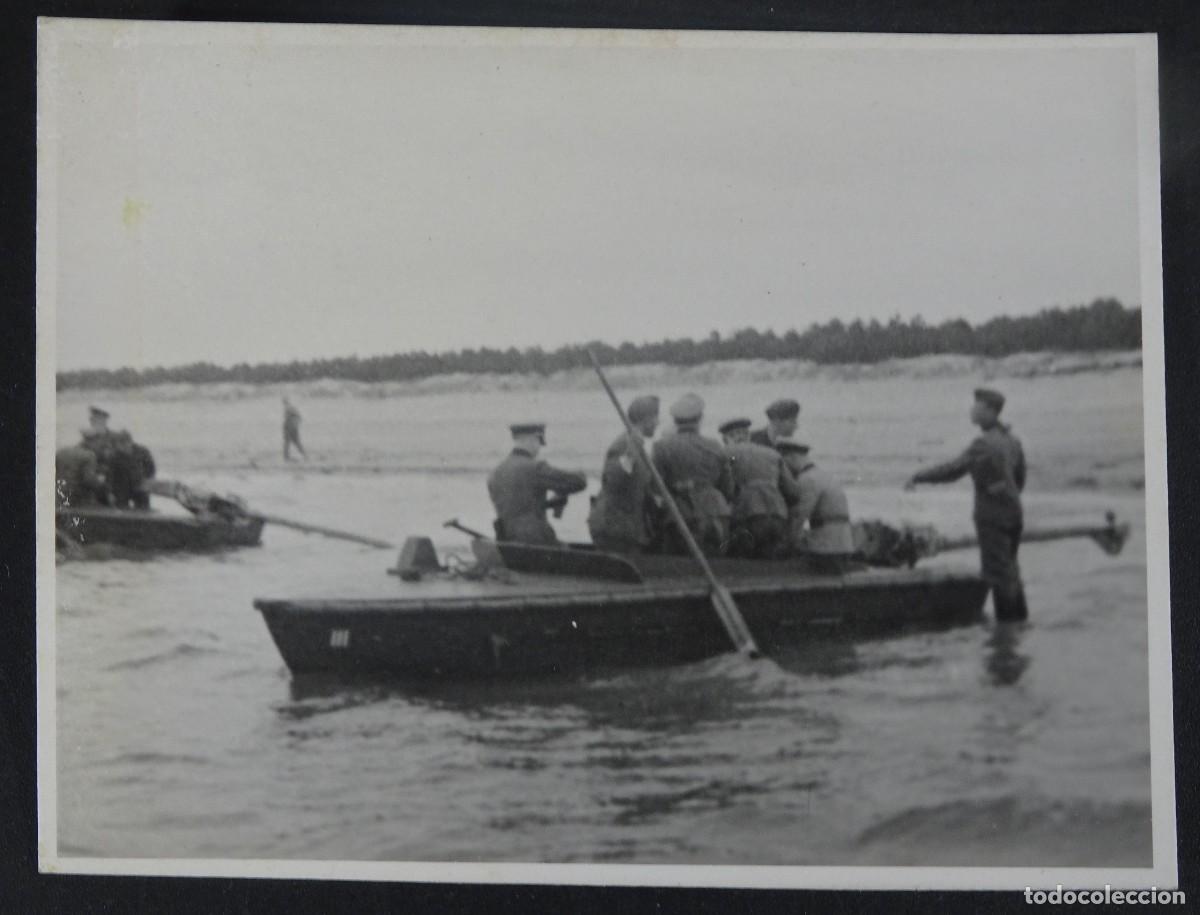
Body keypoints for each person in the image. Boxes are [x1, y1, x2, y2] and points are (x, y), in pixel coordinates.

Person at [905, 387, 1028, 621]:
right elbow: (1020, 478)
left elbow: (953, 470)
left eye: (977, 406)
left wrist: (919, 476)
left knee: (998, 575)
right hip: (1014, 515)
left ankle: (1007, 637)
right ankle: (1018, 628)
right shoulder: (1012, 440)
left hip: (992, 518)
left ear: (991, 411)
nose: (972, 410)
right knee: (1012, 571)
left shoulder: (983, 444)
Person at [650, 393, 734, 556]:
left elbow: (656, 487)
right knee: (719, 564)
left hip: (681, 513)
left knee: (681, 566)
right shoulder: (715, 445)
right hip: (717, 511)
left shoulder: (661, 446)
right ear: (700, 418)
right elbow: (728, 487)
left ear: (675, 421)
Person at [487, 423, 587, 545]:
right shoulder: (535, 468)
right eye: (540, 442)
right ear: (534, 438)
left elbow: (520, 505)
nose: (539, 448)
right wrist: (575, 478)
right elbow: (579, 482)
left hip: (507, 538)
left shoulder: (497, 472)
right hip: (536, 538)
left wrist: (553, 500)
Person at [587, 395, 662, 554]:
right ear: (646, 419)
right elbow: (614, 479)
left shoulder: (637, 445)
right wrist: (630, 454)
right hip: (614, 529)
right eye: (656, 418)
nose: (658, 423)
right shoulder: (624, 444)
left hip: (626, 528)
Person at [719, 417, 800, 558]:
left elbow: (724, 487)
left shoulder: (727, 453)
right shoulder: (772, 454)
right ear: (748, 436)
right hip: (778, 515)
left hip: (747, 516)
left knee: (742, 561)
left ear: (727, 438)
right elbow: (793, 493)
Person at [778, 440, 856, 572]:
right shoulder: (825, 476)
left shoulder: (807, 479)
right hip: (843, 544)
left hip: (825, 549)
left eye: (784, 464)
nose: (784, 469)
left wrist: (785, 545)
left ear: (792, 457)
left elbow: (798, 517)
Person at [105, 430, 154, 509]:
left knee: (144, 509)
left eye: (125, 443)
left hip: (139, 485)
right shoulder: (114, 456)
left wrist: (146, 481)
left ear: (130, 442)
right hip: (122, 487)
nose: (122, 447)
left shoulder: (142, 452)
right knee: (121, 510)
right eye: (119, 445)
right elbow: (110, 475)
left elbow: (151, 469)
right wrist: (109, 492)